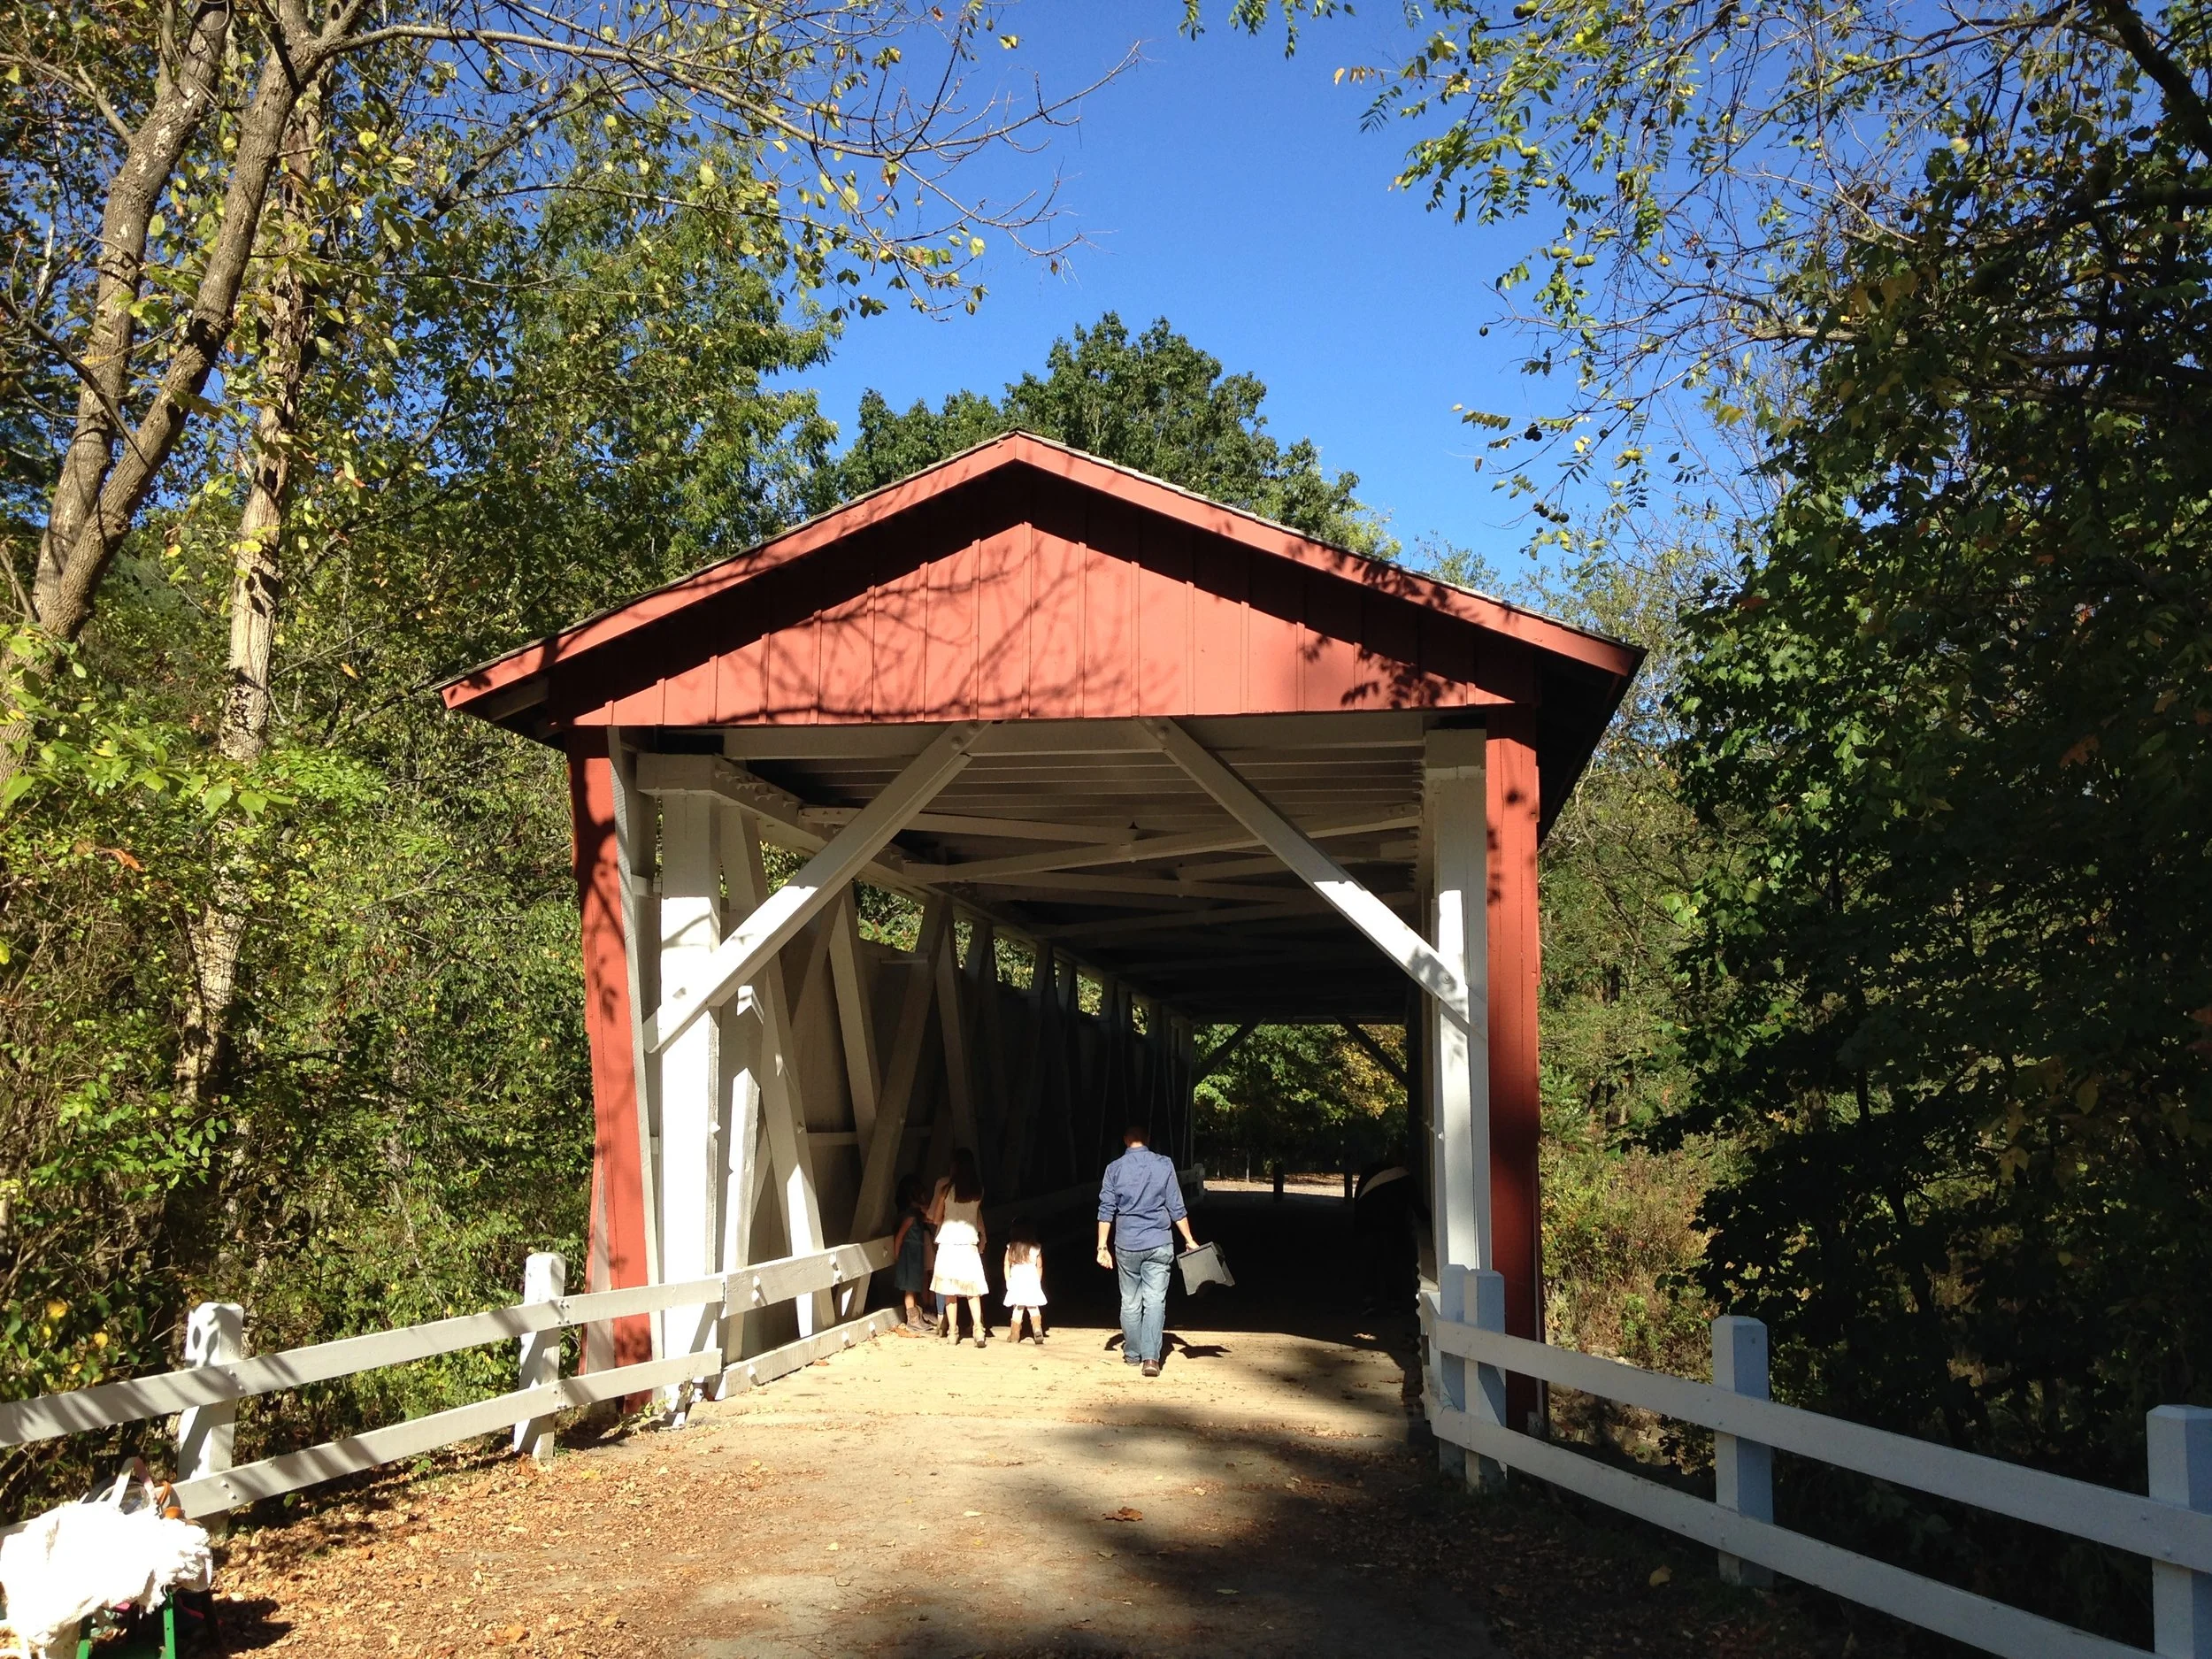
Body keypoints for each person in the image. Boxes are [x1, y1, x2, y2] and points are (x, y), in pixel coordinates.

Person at [1095, 1124, 1199, 1378]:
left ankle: (1132, 1353)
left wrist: (1102, 1247)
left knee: (1130, 1302)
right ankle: (1151, 1359)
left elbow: (1106, 1210)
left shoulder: (1114, 1169)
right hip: (1159, 1242)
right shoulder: (1164, 1165)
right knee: (1154, 1301)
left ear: (1125, 1140)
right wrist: (1189, 1239)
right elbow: (1176, 1206)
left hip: (1127, 1244)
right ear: (1148, 1139)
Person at [929, 1148, 991, 1347]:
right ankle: (978, 1329)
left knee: (950, 1292)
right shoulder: (978, 1190)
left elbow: (937, 1218)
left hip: (948, 1243)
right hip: (968, 1243)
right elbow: (976, 1215)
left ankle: (953, 1332)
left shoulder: (946, 1190)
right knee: (973, 1291)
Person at [890, 1172, 936, 1335]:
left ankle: (917, 1317)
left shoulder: (913, 1215)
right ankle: (913, 1318)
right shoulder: (910, 1216)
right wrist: (897, 1254)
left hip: (914, 1255)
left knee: (914, 1284)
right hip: (909, 1255)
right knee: (910, 1287)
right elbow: (901, 1236)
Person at [1002, 1215, 1048, 1344]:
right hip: (1031, 1279)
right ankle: (1037, 1329)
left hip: (1016, 1280)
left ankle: (1014, 1335)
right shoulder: (1036, 1248)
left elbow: (1006, 1264)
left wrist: (1007, 1280)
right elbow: (1039, 1265)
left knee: (1018, 1307)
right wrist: (1038, 1280)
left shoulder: (1011, 1247)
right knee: (1033, 1306)